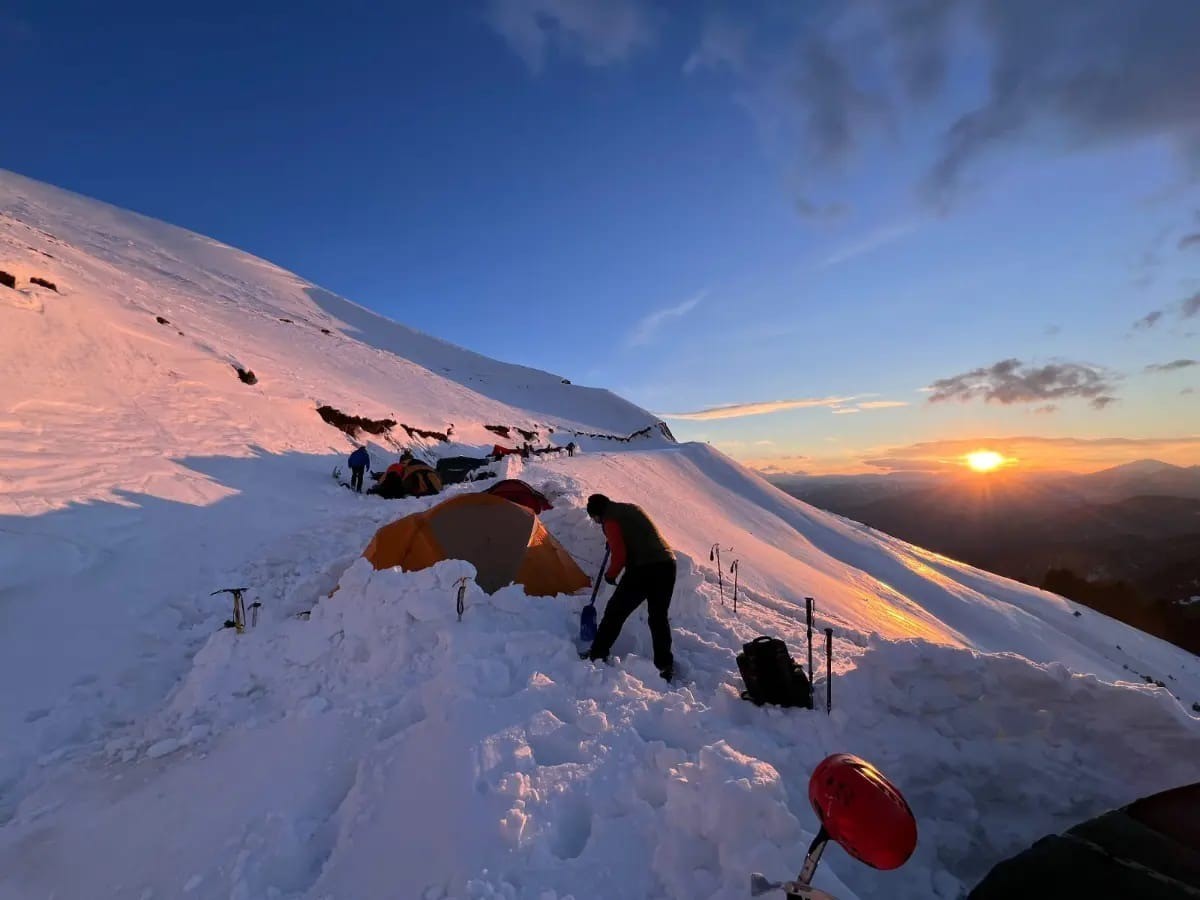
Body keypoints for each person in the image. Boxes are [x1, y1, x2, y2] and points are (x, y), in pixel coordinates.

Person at [581, 493, 676, 681]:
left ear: (598, 513)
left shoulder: (610, 520)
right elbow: (636, 534)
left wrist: (611, 575)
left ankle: (597, 654)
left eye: (595, 520)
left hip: (644, 569)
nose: (597, 523)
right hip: (666, 564)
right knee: (658, 618)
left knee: (615, 612)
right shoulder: (629, 509)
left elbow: (620, 554)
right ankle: (665, 665)